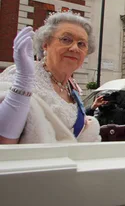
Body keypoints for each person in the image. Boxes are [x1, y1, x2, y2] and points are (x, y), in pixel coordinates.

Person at [0, 11, 101, 144]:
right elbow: (4, 143)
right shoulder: (21, 74)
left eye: (81, 44)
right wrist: (22, 84)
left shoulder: (71, 87)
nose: (75, 48)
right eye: (66, 39)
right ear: (46, 44)